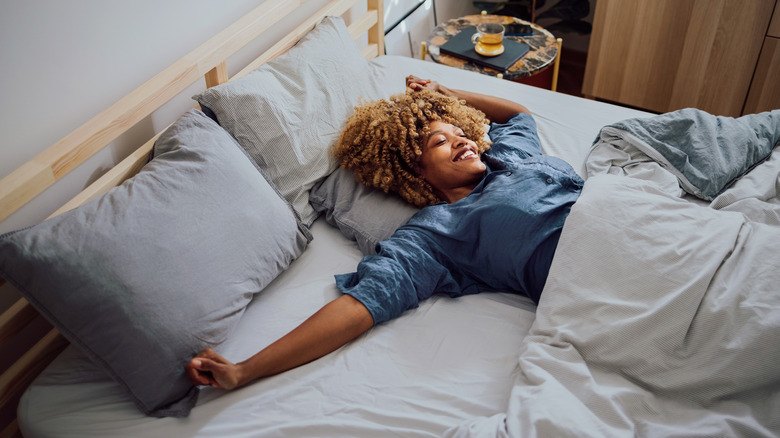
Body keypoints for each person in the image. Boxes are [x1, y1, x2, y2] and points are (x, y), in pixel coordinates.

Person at [185, 75, 583, 390]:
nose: (461, 139)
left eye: (459, 132)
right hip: (588, 271)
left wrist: (446, 91)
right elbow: (360, 306)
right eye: (439, 142)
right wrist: (244, 370)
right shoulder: (437, 235)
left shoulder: (507, 154)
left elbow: (519, 117)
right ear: (416, 172)